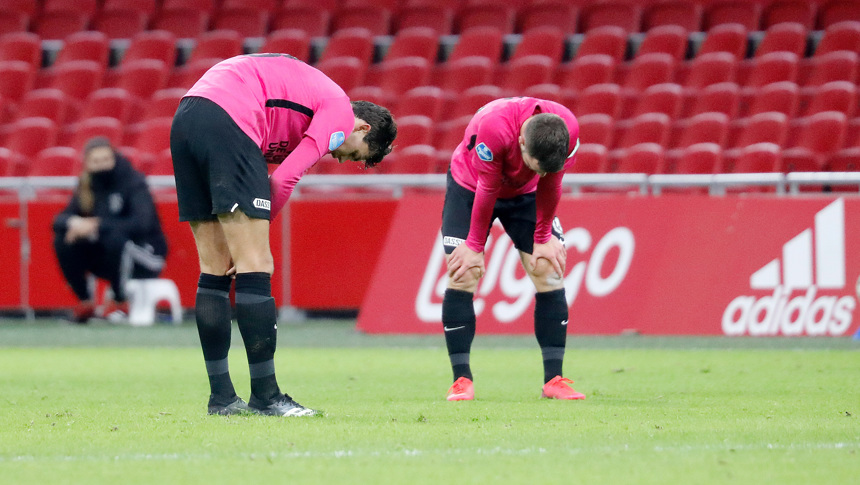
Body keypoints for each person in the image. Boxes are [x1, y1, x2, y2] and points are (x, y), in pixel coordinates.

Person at [170, 53, 396, 417]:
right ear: (363, 129)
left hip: (188, 115)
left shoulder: (302, 112)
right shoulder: (340, 112)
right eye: (355, 155)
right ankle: (266, 396)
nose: (342, 160)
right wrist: (258, 231)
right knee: (256, 263)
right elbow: (283, 180)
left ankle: (222, 399)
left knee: (214, 268)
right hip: (231, 111)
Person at [440, 96, 584, 402]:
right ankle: (461, 380)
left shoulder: (567, 129)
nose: (540, 172)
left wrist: (543, 237)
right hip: (471, 186)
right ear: (521, 142)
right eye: (534, 166)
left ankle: (554, 380)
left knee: (547, 268)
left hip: (525, 194)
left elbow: (551, 182)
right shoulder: (495, 127)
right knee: (465, 271)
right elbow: (487, 187)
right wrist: (474, 245)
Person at [53, 137, 168, 324]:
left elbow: (142, 224)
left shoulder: (133, 182)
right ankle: (85, 302)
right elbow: (59, 220)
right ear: (87, 164)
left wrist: (97, 225)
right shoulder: (87, 186)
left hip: (147, 255)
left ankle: (121, 301)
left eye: (106, 159)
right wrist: (76, 223)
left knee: (115, 238)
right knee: (64, 240)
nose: (102, 166)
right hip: (109, 258)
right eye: (96, 161)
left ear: (114, 158)